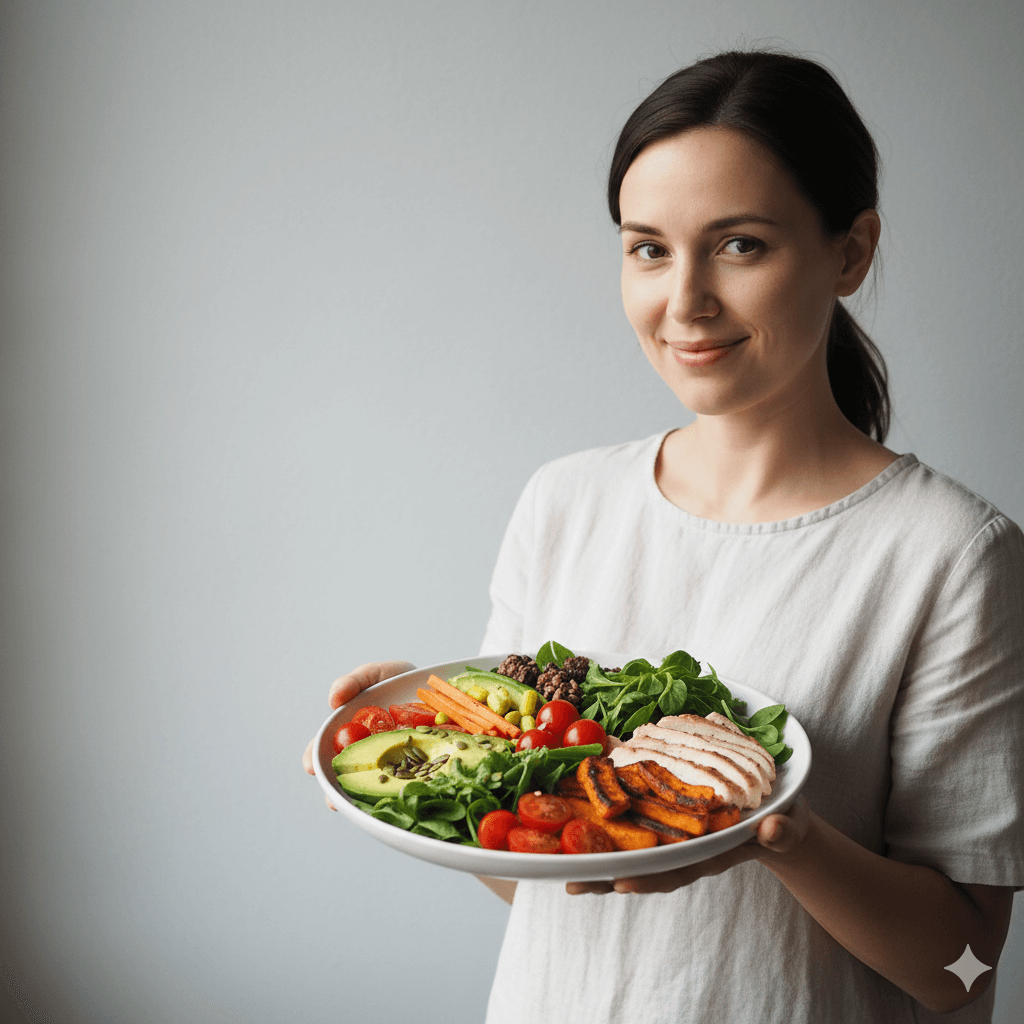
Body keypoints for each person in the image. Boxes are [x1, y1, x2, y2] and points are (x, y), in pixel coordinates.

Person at [303, 50, 1024, 1022]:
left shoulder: (952, 555)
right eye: (647, 248)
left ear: (849, 251)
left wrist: (778, 835)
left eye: (738, 245)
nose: (683, 301)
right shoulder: (563, 501)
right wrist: (410, 781)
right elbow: (550, 895)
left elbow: (963, 968)